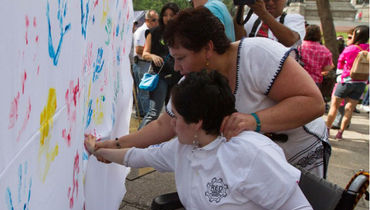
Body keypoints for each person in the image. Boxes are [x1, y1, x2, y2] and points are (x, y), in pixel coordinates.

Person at [84, 70, 318, 210]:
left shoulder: (252, 152)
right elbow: (138, 156)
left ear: (197, 123)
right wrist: (99, 150)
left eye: (175, 116)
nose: (170, 123)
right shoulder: (185, 146)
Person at [98, 7, 329, 178]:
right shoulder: (194, 80)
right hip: (258, 165)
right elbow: (164, 125)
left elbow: (313, 103)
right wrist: (117, 144)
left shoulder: (257, 54)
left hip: (299, 156)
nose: (177, 67)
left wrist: (253, 121)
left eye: (181, 58)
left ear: (208, 48)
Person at [139, 3, 182, 129]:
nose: (168, 18)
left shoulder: (182, 34)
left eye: (172, 15)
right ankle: (136, 140)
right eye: (165, 15)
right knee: (154, 113)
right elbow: (145, 53)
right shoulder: (154, 32)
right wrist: (152, 56)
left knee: (173, 113)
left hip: (176, 76)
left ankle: (160, 144)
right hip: (159, 76)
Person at [326, 25, 369, 140]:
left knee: (334, 106)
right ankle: (340, 133)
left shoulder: (351, 48)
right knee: (349, 109)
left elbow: (340, 62)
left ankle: (327, 129)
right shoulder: (368, 49)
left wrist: (340, 74)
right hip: (361, 82)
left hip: (346, 80)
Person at [236, 0, 305, 48]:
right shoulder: (249, 19)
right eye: (266, 0)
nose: (270, 3)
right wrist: (240, 6)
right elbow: (239, 41)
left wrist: (263, 13)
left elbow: (289, 40)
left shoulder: (294, 19)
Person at [132, 10, 159, 118]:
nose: (157, 22)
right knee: (144, 92)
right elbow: (138, 49)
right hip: (142, 64)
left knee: (143, 92)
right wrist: (153, 52)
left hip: (142, 63)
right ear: (147, 20)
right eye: (154, 20)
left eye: (158, 20)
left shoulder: (145, 30)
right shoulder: (143, 31)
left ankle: (141, 114)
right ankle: (145, 116)